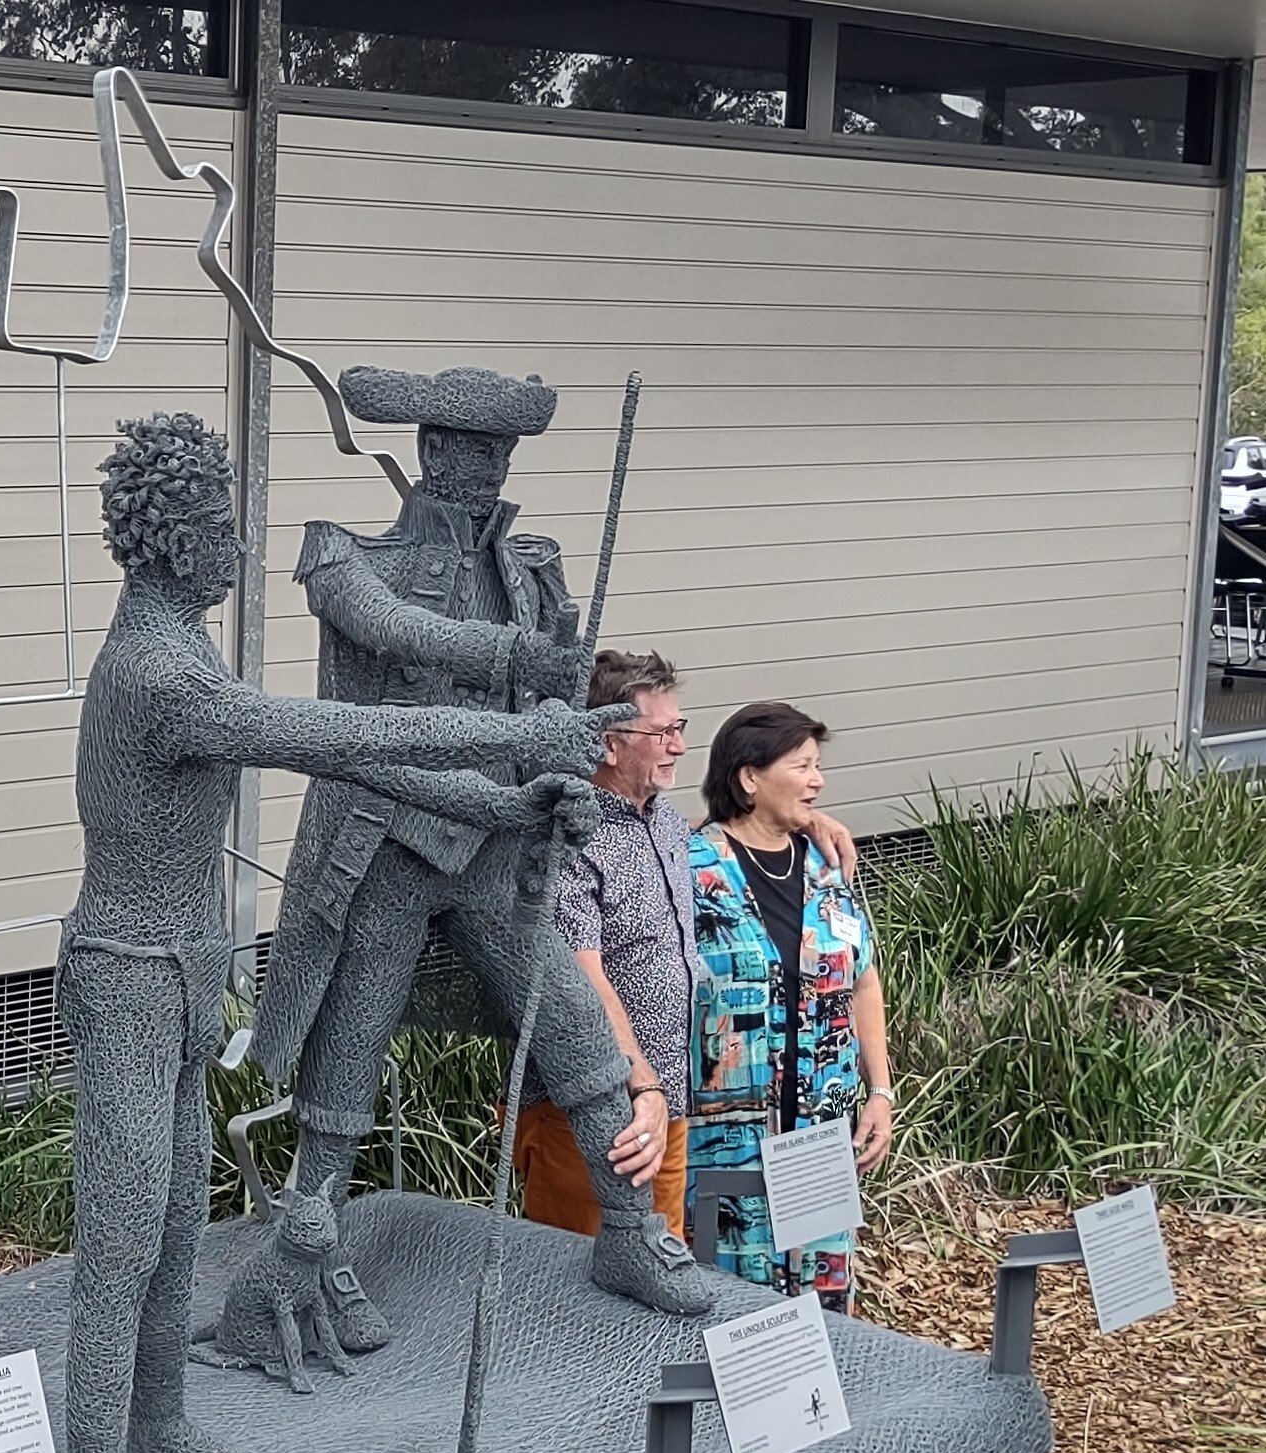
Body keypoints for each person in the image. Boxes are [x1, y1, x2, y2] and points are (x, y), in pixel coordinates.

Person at [58, 411, 613, 1453]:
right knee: (121, 1238)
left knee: (168, 1221)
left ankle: (153, 1425)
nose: (234, 546)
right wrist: (516, 727)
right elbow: (331, 730)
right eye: (216, 525)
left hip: (183, 969)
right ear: (167, 539)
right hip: (124, 976)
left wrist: (507, 803)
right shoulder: (160, 672)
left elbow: (360, 759)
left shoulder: (190, 648)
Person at [246, 364, 712, 1343]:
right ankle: (313, 1245)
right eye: (465, 448)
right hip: (388, 842)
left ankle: (627, 1228)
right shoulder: (342, 559)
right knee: (351, 1048)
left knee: (579, 1028)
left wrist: (568, 788)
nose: (484, 468)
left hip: (497, 846)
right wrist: (517, 666)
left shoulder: (532, 572)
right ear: (427, 448)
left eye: (498, 451)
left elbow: (553, 718)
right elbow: (394, 632)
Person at [516, 653, 861, 1246]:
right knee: (578, 1286)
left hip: (666, 1107)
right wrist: (640, 1086)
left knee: (661, 1276)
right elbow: (581, 977)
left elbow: (738, 841)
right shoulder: (566, 835)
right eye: (663, 732)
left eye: (681, 729)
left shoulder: (667, 827)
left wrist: (805, 821)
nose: (679, 746)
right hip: (593, 1107)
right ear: (609, 743)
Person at [688, 701, 894, 1311]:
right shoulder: (687, 865)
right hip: (726, 1139)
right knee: (729, 1314)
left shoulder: (828, 867)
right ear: (749, 778)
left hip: (820, 1134)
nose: (818, 779)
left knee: (821, 1309)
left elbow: (863, 980)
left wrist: (879, 1091)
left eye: (817, 766)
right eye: (801, 766)